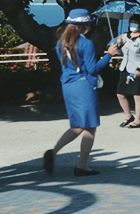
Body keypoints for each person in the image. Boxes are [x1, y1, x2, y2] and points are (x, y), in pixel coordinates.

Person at [43, 9, 119, 177]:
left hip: (68, 85)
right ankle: (73, 161)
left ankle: (73, 161)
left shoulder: (60, 43)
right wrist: (109, 55)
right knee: (85, 126)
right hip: (83, 86)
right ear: (86, 25)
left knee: (82, 124)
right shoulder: (86, 43)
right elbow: (92, 70)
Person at [115, 18, 140, 128]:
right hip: (125, 68)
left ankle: (138, 120)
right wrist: (119, 44)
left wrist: (139, 69)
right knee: (120, 94)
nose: (133, 25)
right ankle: (128, 115)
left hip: (137, 69)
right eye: (132, 22)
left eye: (136, 23)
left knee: (137, 94)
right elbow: (120, 52)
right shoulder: (125, 36)